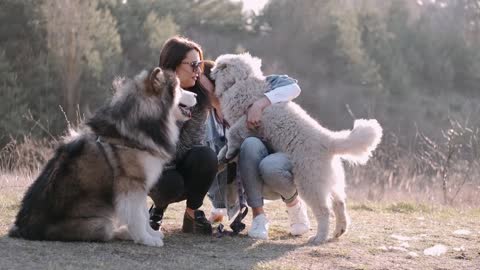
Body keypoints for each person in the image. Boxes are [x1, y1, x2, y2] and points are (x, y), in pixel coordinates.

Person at [202, 60, 311, 240]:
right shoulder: (207, 119)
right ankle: (251, 214)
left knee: (254, 148)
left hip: (274, 166)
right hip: (243, 181)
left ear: (214, 79)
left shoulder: (252, 87)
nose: (196, 89)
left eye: (200, 83)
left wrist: (260, 104)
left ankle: (288, 207)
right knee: (234, 149)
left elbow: (293, 87)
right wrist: (219, 206)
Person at [148, 36, 217, 235]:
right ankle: (157, 211)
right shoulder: (151, 96)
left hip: (180, 161)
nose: (198, 71)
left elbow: (193, 144)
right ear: (173, 65)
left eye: (200, 65)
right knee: (171, 183)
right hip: (153, 169)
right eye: (193, 65)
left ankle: (192, 214)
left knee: (206, 156)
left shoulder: (199, 101)